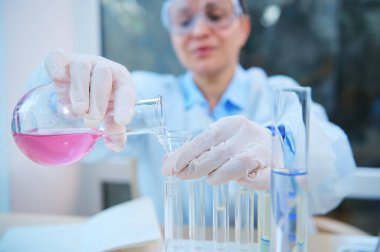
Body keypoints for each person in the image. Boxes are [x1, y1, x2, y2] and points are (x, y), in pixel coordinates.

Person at [30, 0, 355, 222]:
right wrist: (62, 87)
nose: (199, 31)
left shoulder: (276, 93)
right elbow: (64, 138)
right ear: (173, 36)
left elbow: (337, 167)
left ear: (242, 29)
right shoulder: (143, 97)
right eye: (184, 20)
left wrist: (281, 145)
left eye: (215, 14)